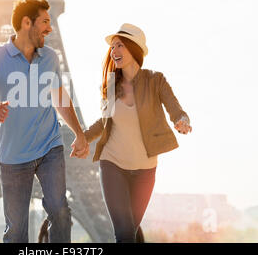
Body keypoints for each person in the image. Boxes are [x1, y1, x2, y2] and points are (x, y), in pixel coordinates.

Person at [0, 0, 89, 243]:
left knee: (60, 211)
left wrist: (79, 133)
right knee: (16, 231)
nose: (50, 27)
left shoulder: (50, 57)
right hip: (14, 155)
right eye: (44, 21)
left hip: (50, 147)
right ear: (27, 23)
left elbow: (60, 97)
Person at [71, 23, 192, 243]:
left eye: (120, 46)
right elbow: (105, 123)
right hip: (113, 164)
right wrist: (83, 137)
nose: (114, 51)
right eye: (113, 46)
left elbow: (175, 109)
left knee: (130, 233)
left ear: (134, 48)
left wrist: (182, 120)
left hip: (145, 171)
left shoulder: (156, 80)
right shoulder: (111, 85)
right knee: (125, 232)